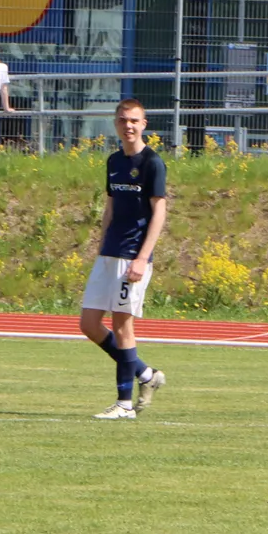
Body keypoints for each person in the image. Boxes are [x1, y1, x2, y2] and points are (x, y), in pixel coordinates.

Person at [79, 98, 168, 419]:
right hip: (109, 253)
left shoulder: (152, 163)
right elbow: (110, 208)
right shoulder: (114, 161)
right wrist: (101, 246)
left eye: (134, 120)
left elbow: (159, 213)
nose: (128, 126)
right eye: (122, 120)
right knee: (88, 323)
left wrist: (143, 258)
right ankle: (145, 374)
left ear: (143, 124)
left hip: (133, 255)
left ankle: (124, 404)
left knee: (121, 325)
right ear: (115, 123)